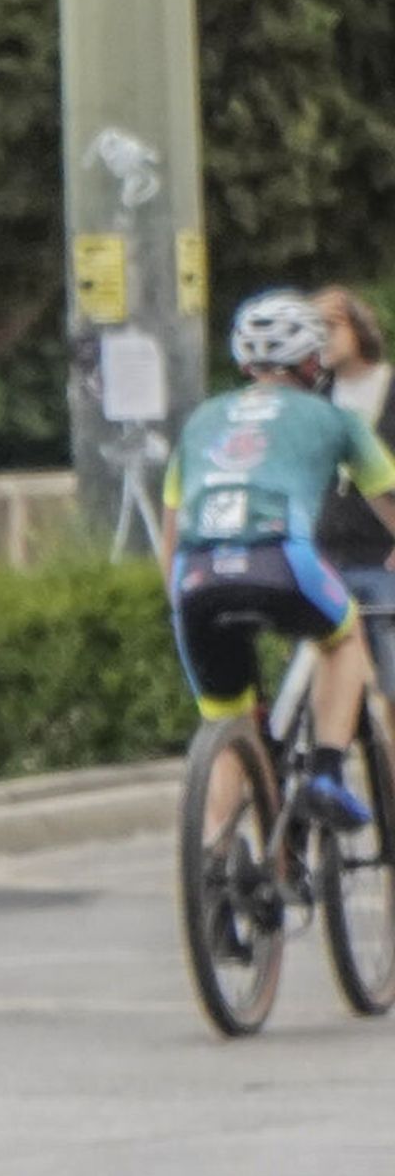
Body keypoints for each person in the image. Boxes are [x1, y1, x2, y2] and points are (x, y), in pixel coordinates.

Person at [162, 290, 395, 828]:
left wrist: (175, 599)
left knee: (229, 730)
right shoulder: (333, 419)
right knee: (345, 636)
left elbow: (171, 532)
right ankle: (328, 774)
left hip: (195, 578)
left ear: (245, 363)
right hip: (282, 563)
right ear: (312, 361)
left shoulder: (200, 422)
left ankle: (222, 868)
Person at [315, 284, 395, 701]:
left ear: (359, 327)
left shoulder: (390, 387)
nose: (321, 338)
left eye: (330, 325)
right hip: (325, 557)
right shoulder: (315, 401)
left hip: (384, 558)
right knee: (327, 687)